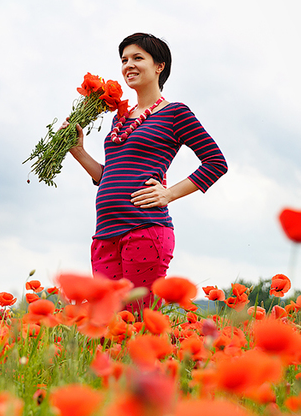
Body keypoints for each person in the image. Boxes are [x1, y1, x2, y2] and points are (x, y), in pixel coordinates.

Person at [68, 32, 228, 310]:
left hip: (144, 230)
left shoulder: (175, 113)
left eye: (137, 58)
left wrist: (168, 194)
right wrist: (78, 151)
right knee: (108, 322)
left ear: (159, 66)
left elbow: (216, 162)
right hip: (105, 232)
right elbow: (111, 174)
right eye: (124, 59)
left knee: (137, 321)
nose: (128, 64)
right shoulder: (120, 119)